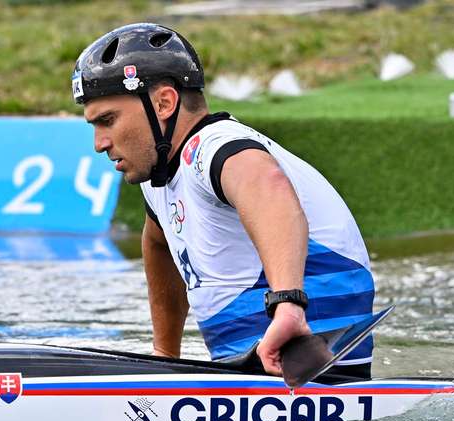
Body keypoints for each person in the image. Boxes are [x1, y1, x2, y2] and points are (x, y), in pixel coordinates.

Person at [72, 23, 374, 378]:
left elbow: (268, 187)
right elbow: (158, 243)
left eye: (107, 120)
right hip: (252, 367)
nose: (99, 142)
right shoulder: (160, 173)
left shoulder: (213, 146)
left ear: (164, 103)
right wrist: (164, 355)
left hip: (305, 357)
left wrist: (288, 305)